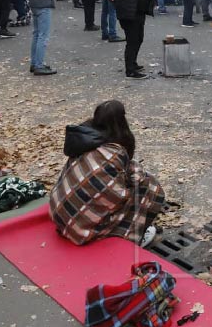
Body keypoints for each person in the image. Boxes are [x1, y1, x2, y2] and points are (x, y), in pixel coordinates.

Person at [49, 100, 164, 246]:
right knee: (147, 187)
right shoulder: (114, 152)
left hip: (59, 215)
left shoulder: (84, 139)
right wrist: (137, 177)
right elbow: (117, 196)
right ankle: (132, 235)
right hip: (79, 232)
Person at [112, 0, 155, 79]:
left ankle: (133, 63)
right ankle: (130, 70)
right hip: (128, 13)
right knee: (132, 40)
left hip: (139, 10)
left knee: (139, 38)